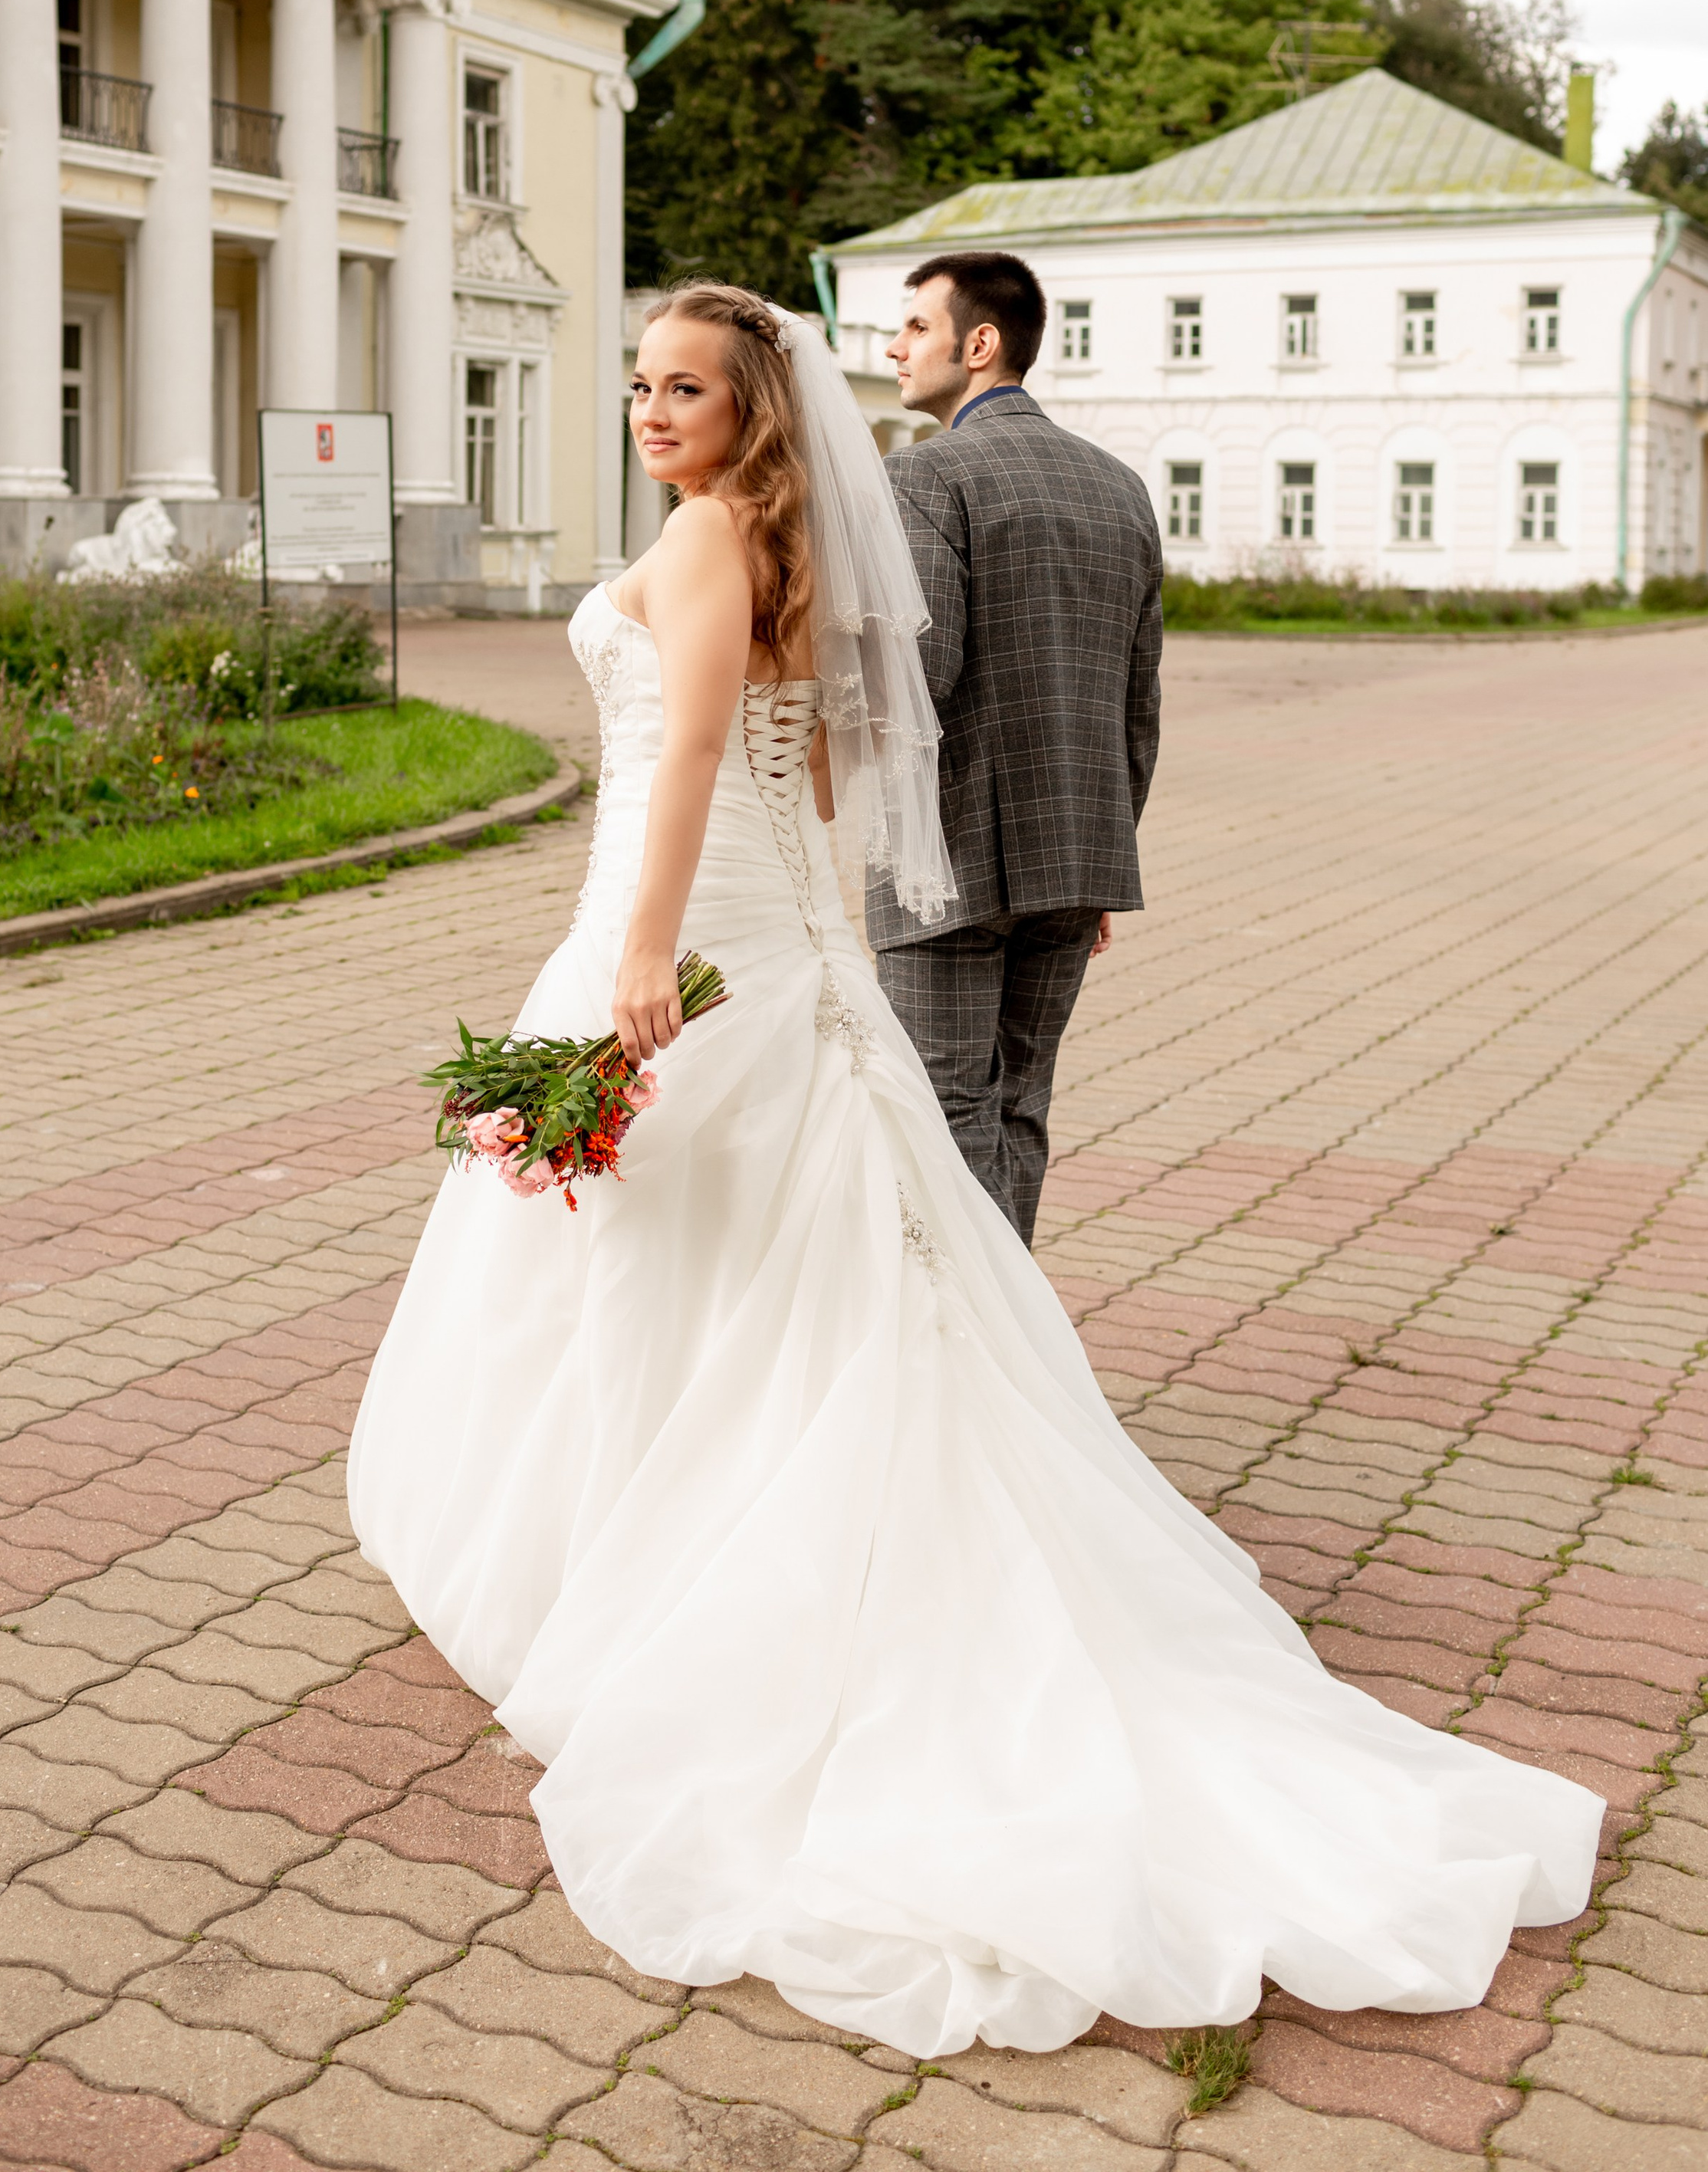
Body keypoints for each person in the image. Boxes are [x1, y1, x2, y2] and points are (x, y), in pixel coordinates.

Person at [348, 279, 1598, 2062]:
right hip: (776, 926)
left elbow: (689, 750)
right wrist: (806, 938)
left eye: (683, 388)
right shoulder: (789, 545)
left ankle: (653, 1573)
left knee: (668, 1250)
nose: (649, 412)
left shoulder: (705, 541)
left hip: (686, 922)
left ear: (749, 407)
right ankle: (669, 1534)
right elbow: (828, 769)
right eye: (637, 385)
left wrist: (639, 950)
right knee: (772, 1242)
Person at [871, 251, 1161, 1246]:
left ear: (979, 344)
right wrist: (1100, 855)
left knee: (943, 1113)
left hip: (948, 861)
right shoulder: (1122, 488)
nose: (895, 347)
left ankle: (975, 1338)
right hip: (1080, 858)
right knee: (1019, 1106)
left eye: (916, 326)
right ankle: (1018, 1325)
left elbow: (920, 676)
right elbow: (1138, 704)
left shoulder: (924, 474)